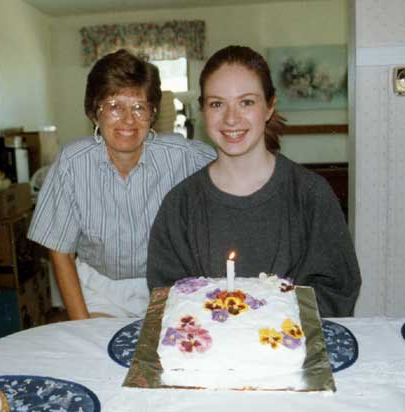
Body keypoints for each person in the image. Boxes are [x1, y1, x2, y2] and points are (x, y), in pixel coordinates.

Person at [146, 45, 361, 317]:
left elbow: (337, 290)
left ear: (269, 106)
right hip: (207, 355)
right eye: (217, 104)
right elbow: (167, 297)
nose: (231, 118)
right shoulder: (180, 205)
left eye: (246, 102)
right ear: (202, 110)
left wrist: (264, 323)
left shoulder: (310, 194)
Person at [28, 49, 216, 320]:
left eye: (139, 107)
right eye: (114, 106)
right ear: (95, 113)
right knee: (98, 356)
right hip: (100, 291)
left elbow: (234, 161)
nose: (128, 120)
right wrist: (83, 326)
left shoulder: (181, 155)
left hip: (171, 288)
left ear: (152, 114)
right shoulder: (73, 162)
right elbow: (60, 252)